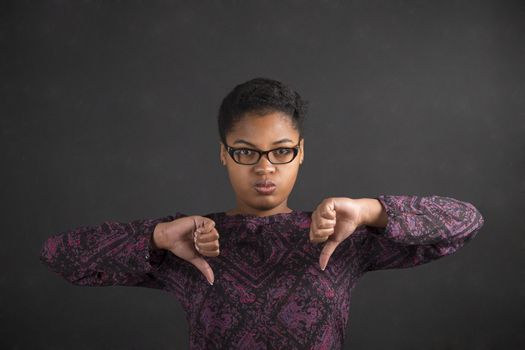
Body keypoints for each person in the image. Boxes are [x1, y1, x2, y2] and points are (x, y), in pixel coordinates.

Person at [39, 77, 485, 349]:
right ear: (224, 154)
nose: (265, 167)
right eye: (246, 152)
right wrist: (156, 237)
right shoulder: (191, 241)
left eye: (281, 151)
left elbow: (465, 222)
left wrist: (369, 211)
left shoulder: (338, 236)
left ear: (301, 152)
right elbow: (59, 254)